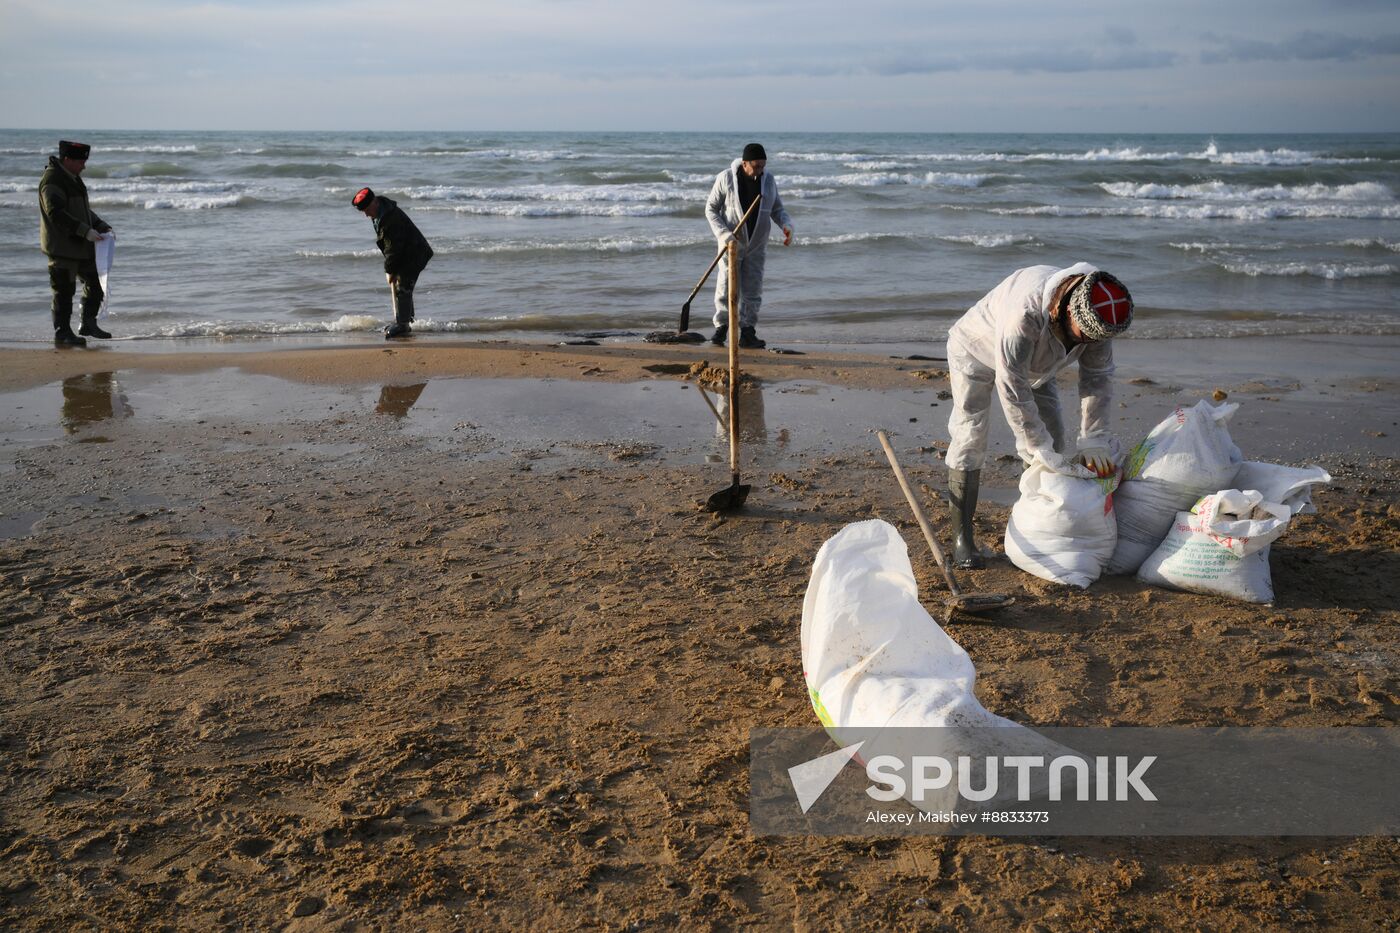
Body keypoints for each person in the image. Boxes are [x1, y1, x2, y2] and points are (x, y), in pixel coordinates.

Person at [944, 262, 1133, 568]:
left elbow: (1097, 378)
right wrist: (1034, 447)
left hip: (1038, 367)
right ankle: (962, 540)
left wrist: (1094, 438)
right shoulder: (1025, 315)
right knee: (970, 436)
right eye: (1083, 337)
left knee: (1054, 438)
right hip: (975, 350)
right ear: (1069, 312)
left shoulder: (1100, 316)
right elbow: (1012, 387)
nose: (1088, 345)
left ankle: (1033, 521)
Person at [704, 143, 794, 349]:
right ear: (744, 164)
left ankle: (747, 332)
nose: (760, 170)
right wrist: (724, 234)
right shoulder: (725, 178)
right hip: (731, 243)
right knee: (726, 285)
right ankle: (722, 327)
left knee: (753, 288)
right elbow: (711, 209)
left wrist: (787, 225)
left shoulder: (768, 180)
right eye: (756, 166)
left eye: (763, 166)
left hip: (757, 244)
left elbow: (777, 209)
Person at [39, 140, 114, 347]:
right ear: (68, 159)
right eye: (81, 161)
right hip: (62, 247)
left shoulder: (72, 178)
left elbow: (81, 211)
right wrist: (84, 231)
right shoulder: (53, 179)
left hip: (80, 247)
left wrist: (99, 225)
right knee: (63, 291)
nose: (84, 165)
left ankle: (88, 324)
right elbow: (56, 213)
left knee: (96, 282)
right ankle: (62, 332)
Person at [351, 187, 433, 339]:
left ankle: (403, 324)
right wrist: (391, 268)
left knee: (403, 286)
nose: (366, 214)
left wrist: (389, 270)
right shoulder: (380, 211)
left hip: (415, 253)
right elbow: (390, 247)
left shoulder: (390, 219)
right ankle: (406, 319)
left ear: (375, 202)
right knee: (401, 285)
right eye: (363, 212)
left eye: (367, 210)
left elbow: (393, 248)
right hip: (404, 252)